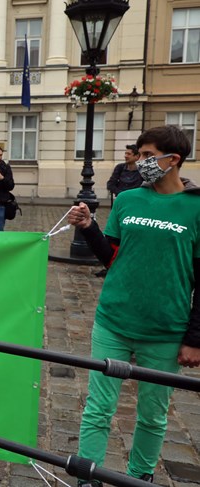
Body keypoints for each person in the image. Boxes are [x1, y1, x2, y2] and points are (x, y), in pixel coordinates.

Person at [67, 125, 200, 485]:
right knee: (97, 407)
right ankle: (87, 475)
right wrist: (90, 227)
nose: (140, 162)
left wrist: (194, 338)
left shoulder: (196, 208)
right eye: (139, 154)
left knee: (153, 415)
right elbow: (111, 257)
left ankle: (139, 476)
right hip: (113, 322)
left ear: (172, 160)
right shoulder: (128, 199)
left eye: (146, 155)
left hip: (165, 331)